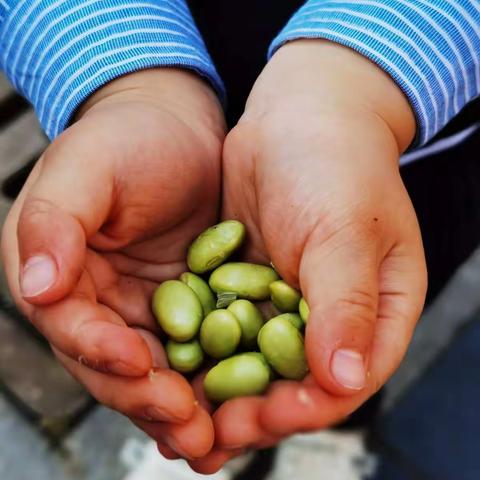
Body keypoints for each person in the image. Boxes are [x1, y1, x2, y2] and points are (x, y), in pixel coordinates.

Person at [0, 0, 479, 474]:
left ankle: (332, 430)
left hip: (411, 139)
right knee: (193, 382)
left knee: (352, 326)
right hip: (182, 85)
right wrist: (128, 81)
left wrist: (353, 86)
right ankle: (211, 427)